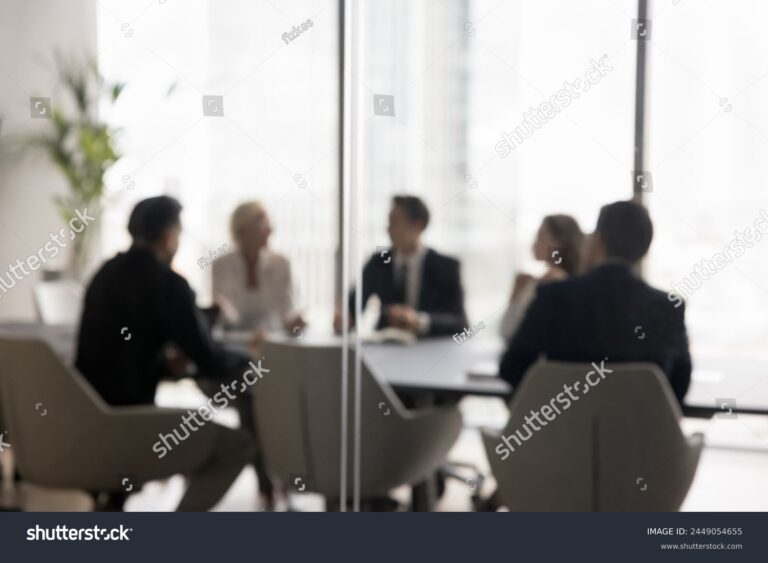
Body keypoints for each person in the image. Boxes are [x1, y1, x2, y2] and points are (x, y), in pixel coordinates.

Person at [75, 196, 264, 511]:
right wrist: (251, 360)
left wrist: (162, 364)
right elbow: (209, 359)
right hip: (133, 428)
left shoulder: (103, 274)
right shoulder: (169, 284)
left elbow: (115, 354)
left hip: (86, 424)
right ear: (168, 236)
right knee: (239, 446)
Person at [498, 200, 692, 403]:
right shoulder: (668, 307)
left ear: (598, 241)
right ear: (645, 249)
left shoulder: (553, 296)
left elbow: (511, 369)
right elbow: (678, 389)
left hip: (562, 431)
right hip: (637, 434)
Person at [337, 195, 468, 337]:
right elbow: (355, 304)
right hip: (386, 349)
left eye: (395, 222)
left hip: (429, 349)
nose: (388, 229)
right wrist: (345, 317)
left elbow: (460, 323)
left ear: (419, 225)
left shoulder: (446, 266)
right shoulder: (380, 260)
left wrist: (419, 321)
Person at [212, 201, 305, 334]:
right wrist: (221, 310)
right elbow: (226, 317)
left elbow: (287, 313)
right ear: (242, 229)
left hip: (273, 342)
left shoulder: (282, 264)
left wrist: (295, 324)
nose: (270, 230)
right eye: (263, 224)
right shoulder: (222, 265)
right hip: (234, 342)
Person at [499, 215, 584, 341]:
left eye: (540, 237)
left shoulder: (552, 281)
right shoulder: (535, 280)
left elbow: (509, 332)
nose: (534, 244)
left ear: (559, 243)